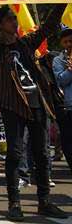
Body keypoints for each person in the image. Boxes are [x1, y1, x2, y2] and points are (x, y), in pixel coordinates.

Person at [0, 0, 69, 221]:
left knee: (42, 154)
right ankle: (14, 203)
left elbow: (48, 27)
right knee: (15, 154)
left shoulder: (26, 44)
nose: (14, 22)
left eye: (14, 19)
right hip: (13, 106)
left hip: (37, 104)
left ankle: (44, 201)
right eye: (9, 19)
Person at [50, 29, 72, 173]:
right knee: (68, 141)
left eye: (71, 41)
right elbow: (61, 81)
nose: (69, 44)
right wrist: (70, 69)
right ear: (61, 43)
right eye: (66, 42)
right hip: (68, 106)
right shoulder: (58, 60)